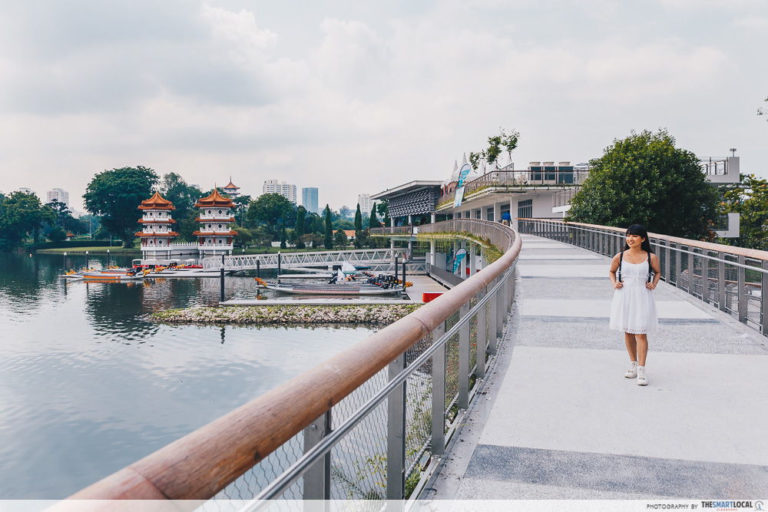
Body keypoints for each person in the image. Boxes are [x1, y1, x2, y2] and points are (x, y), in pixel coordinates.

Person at [608, 224, 661, 386]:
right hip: (624, 295)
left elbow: (658, 272)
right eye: (628, 235)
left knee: (641, 333)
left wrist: (654, 283)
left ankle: (642, 370)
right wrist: (614, 282)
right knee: (628, 332)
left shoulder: (650, 257)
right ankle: (633, 364)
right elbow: (611, 271)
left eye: (635, 236)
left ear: (643, 239)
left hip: (642, 296)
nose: (630, 239)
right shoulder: (620, 256)